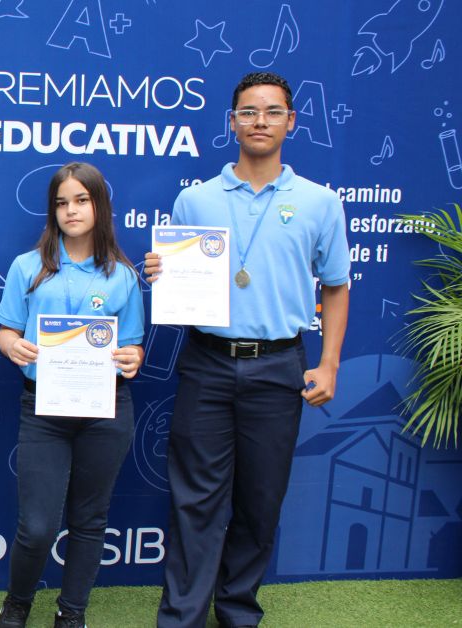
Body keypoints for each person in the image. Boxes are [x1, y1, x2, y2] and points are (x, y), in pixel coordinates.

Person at [147, 72, 350, 628]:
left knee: (260, 501)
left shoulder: (319, 202)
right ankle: (182, 617)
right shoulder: (195, 199)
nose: (260, 121)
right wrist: (163, 272)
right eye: (249, 112)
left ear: (291, 121)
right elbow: (180, 285)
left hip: (279, 364)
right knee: (195, 501)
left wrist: (329, 363)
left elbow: (336, 286)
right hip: (207, 363)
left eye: (272, 111)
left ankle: (238, 613)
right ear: (231, 122)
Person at [0, 163, 145, 628]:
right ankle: (17, 603)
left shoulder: (122, 275)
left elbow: (133, 346)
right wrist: (12, 346)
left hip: (105, 409)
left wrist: (133, 357)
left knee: (89, 519)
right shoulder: (27, 267)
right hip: (44, 408)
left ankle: (72, 610)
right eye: (62, 202)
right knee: (37, 526)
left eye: (81, 200)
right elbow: (5, 332)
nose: (71, 210)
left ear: (100, 206)